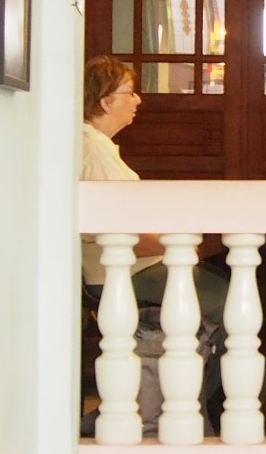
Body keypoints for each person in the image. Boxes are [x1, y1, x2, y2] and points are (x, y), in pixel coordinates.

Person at [81, 54, 228, 328]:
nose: (137, 100)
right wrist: (176, 241)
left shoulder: (95, 145)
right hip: (123, 271)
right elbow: (117, 232)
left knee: (220, 280)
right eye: (129, 93)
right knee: (229, 301)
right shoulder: (94, 151)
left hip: (133, 266)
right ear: (105, 102)